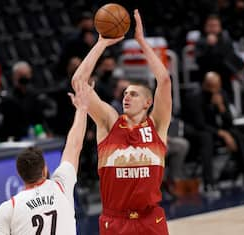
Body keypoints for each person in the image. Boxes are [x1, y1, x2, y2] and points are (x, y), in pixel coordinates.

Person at [71, 10, 171, 235]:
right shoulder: (108, 123)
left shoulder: (157, 125)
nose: (126, 96)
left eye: (134, 94)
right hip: (115, 221)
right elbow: (78, 82)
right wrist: (101, 44)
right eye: (125, 93)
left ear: (147, 103)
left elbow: (164, 80)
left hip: (150, 219)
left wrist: (141, 42)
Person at [0, 81, 90, 235]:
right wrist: (82, 109)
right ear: (45, 169)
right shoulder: (61, 186)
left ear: (20, 174)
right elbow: (74, 145)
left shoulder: (9, 208)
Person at [190, 71, 244, 188]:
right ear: (205, 84)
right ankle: (208, 183)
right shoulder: (196, 97)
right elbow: (199, 124)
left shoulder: (222, 94)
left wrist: (221, 107)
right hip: (201, 131)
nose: (214, 90)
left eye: (216, 86)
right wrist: (223, 134)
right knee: (206, 139)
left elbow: (229, 121)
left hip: (219, 130)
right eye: (211, 86)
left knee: (237, 135)